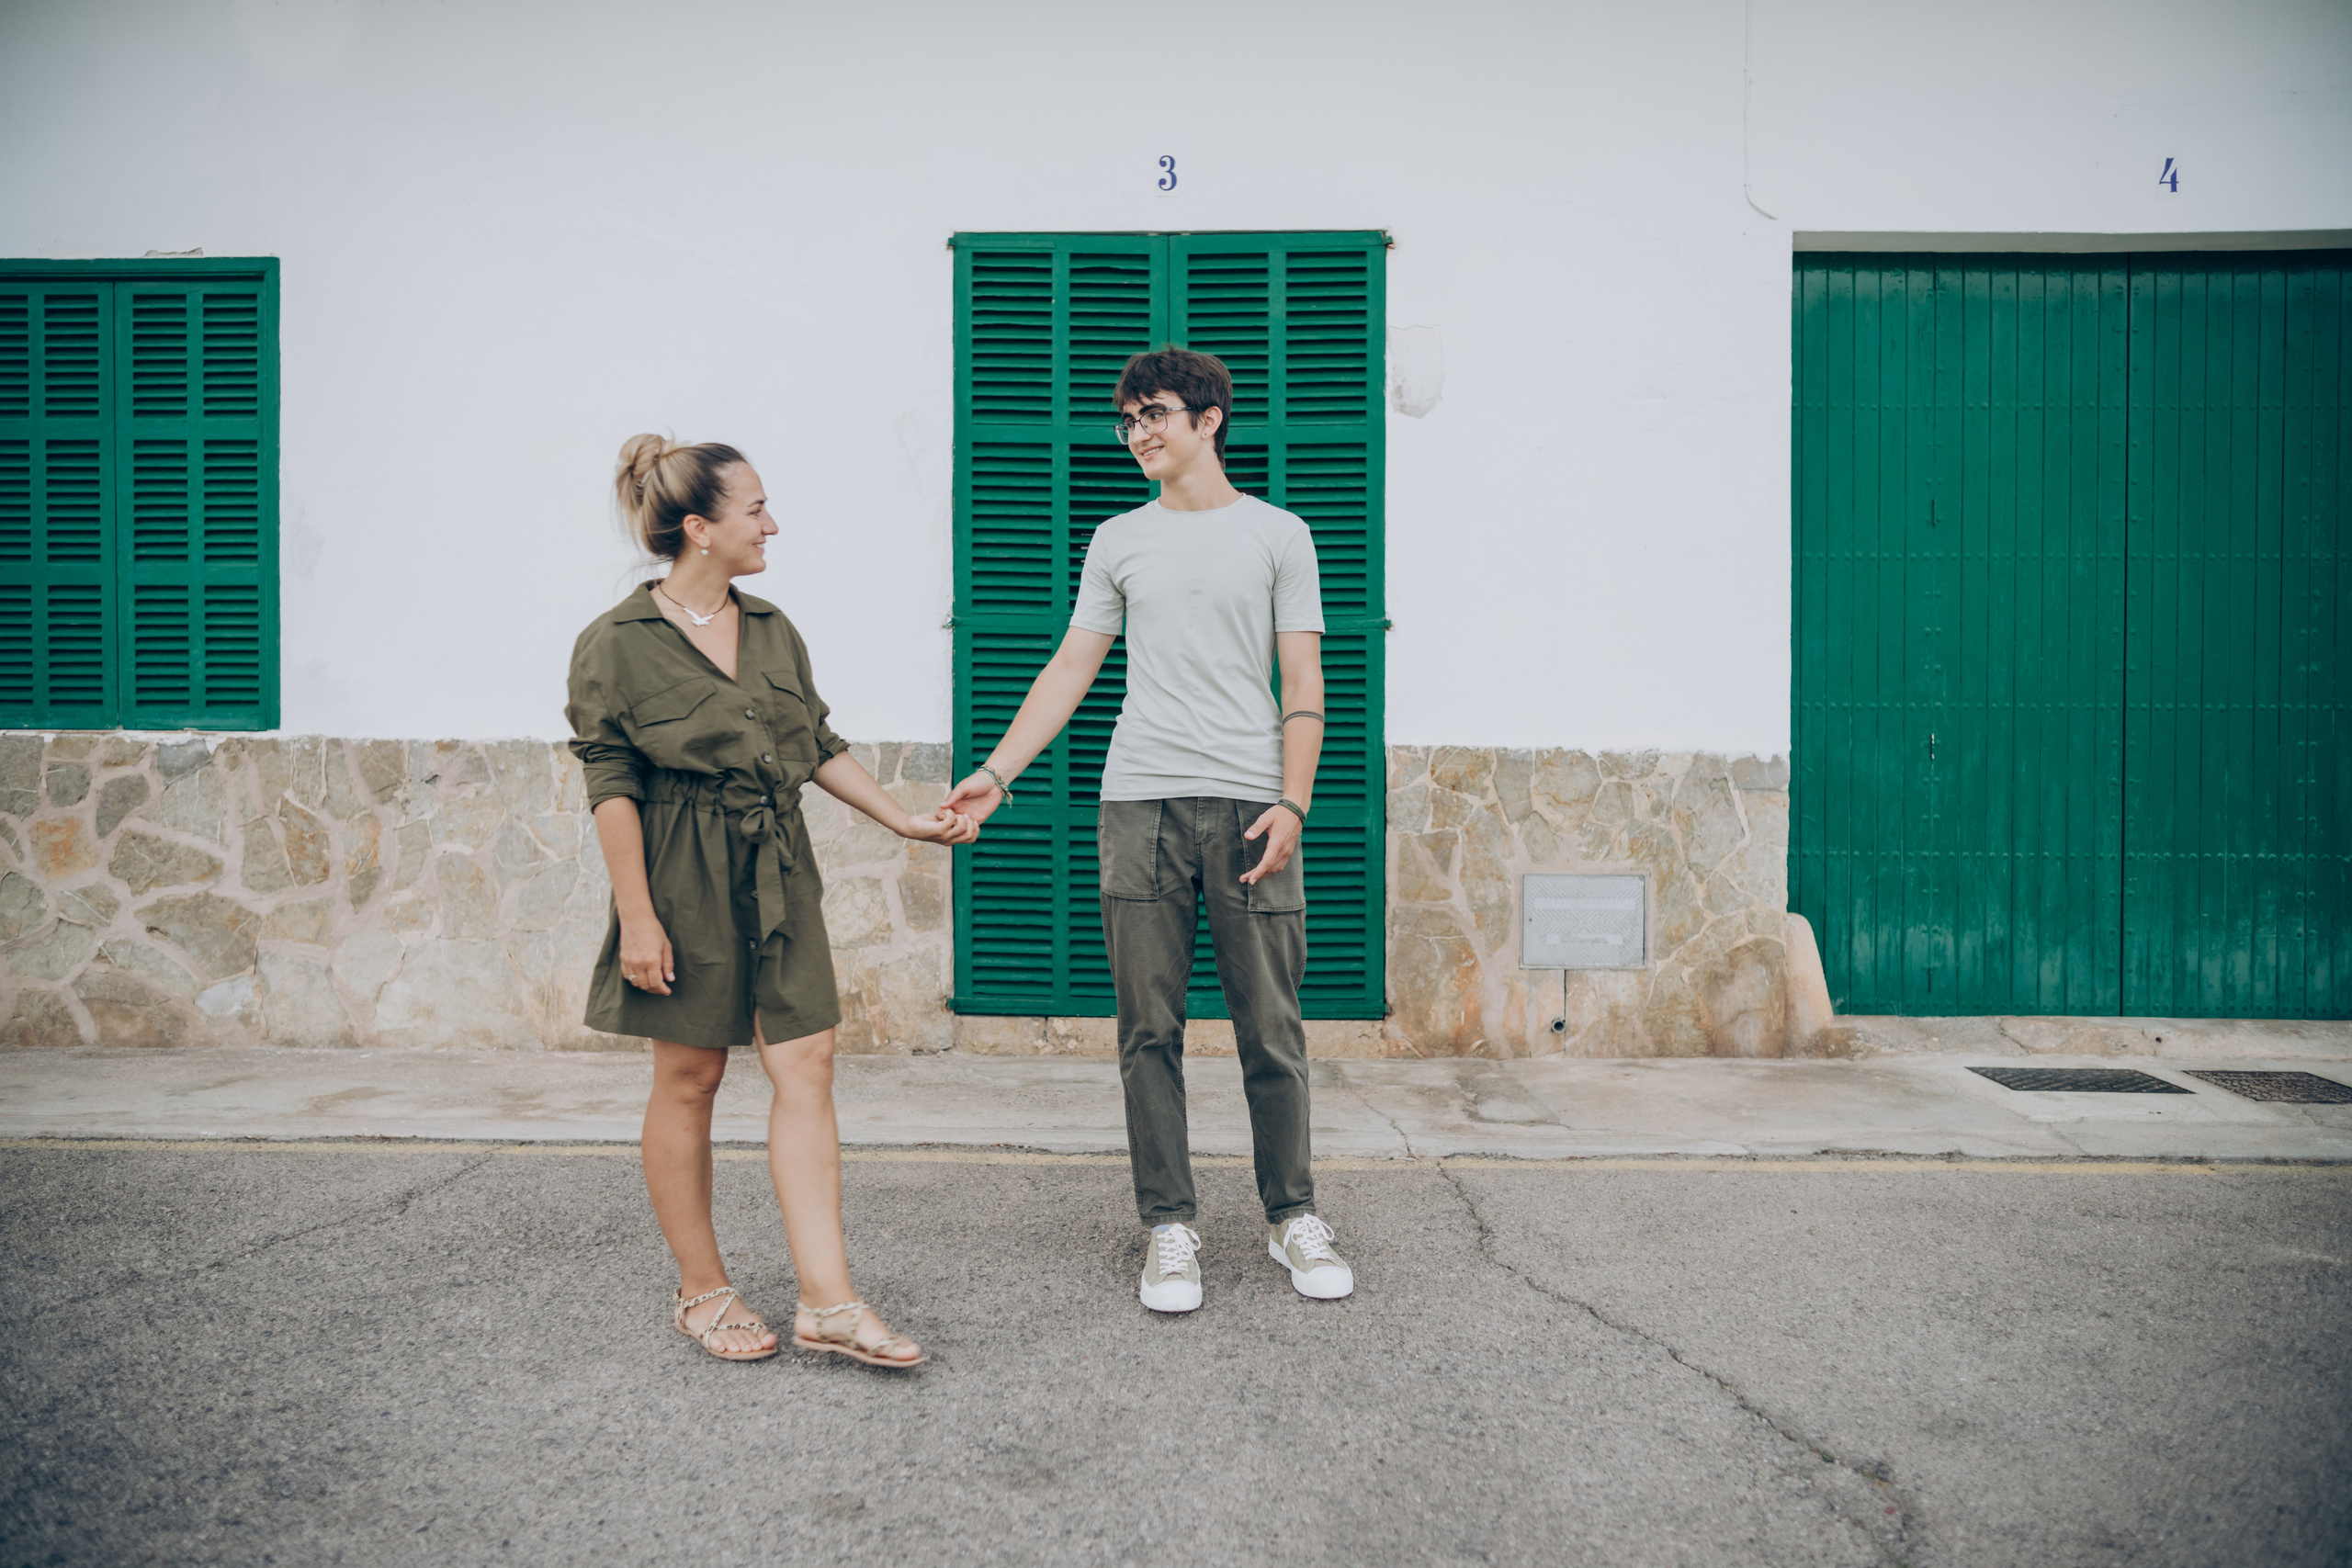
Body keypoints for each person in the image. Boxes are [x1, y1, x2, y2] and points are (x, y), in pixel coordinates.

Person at [941, 347, 1355, 1313]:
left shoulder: (1280, 534)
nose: (1138, 433)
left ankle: (1292, 1215)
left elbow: (1303, 680)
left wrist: (1294, 802)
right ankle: (1169, 1226)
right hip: (1138, 803)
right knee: (1148, 1029)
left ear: (1209, 420)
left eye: (1155, 413)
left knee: (1271, 1025)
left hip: (1252, 802)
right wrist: (997, 775)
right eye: (1127, 419)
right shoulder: (1117, 539)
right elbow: (1071, 667)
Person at [569, 434, 978, 1366]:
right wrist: (639, 915)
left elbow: (815, 742)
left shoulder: (772, 626)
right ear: (699, 527)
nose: (772, 525)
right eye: (755, 510)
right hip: (681, 868)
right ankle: (702, 1289)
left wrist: (902, 820)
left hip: (778, 865)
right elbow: (611, 783)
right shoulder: (615, 643)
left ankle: (827, 1302)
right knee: (691, 1077)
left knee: (809, 1062)